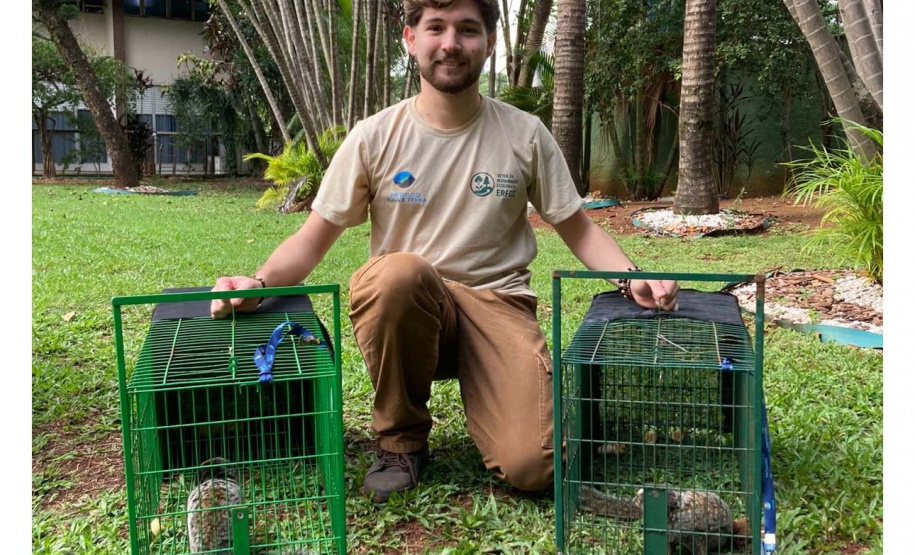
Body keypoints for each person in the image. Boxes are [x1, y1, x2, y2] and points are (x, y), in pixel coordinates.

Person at [210, 0, 679, 503]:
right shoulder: (374, 137)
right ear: (411, 39)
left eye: (467, 30)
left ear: (489, 42)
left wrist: (633, 277)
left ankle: (529, 402)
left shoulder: (525, 134)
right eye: (435, 27)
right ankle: (400, 439)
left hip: (498, 305)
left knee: (533, 468)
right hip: (408, 304)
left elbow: (579, 229)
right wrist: (258, 285)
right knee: (397, 275)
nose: (451, 43)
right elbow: (312, 238)